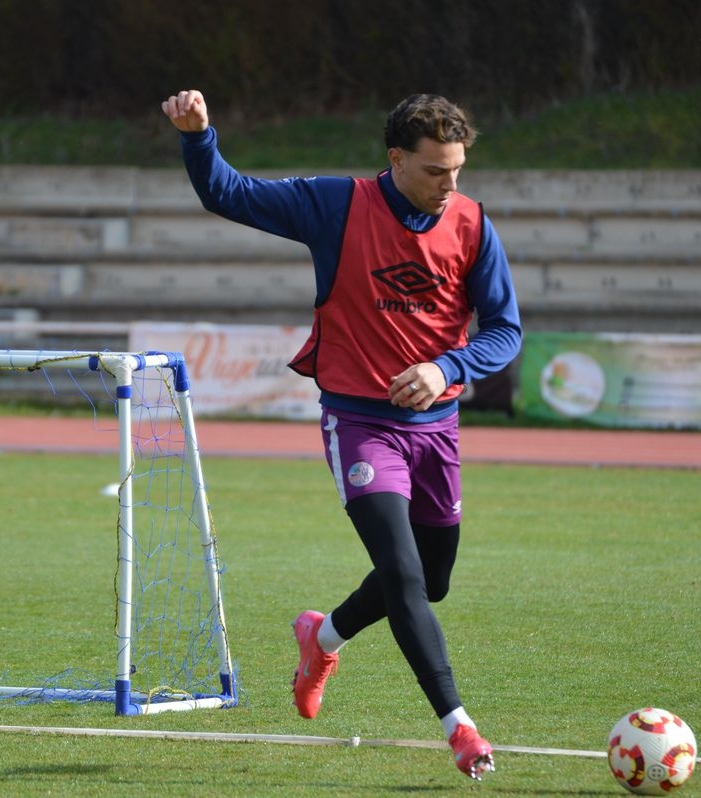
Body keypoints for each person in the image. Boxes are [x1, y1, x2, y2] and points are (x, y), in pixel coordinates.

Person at [162, 90, 521, 781]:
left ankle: (321, 635)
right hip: (360, 424)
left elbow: (505, 331)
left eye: (459, 169)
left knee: (431, 580)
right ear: (396, 159)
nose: (452, 185)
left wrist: (445, 365)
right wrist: (199, 136)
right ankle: (461, 729)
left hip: (436, 430)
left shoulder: (473, 224)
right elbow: (226, 194)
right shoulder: (336, 204)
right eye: (436, 171)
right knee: (406, 577)